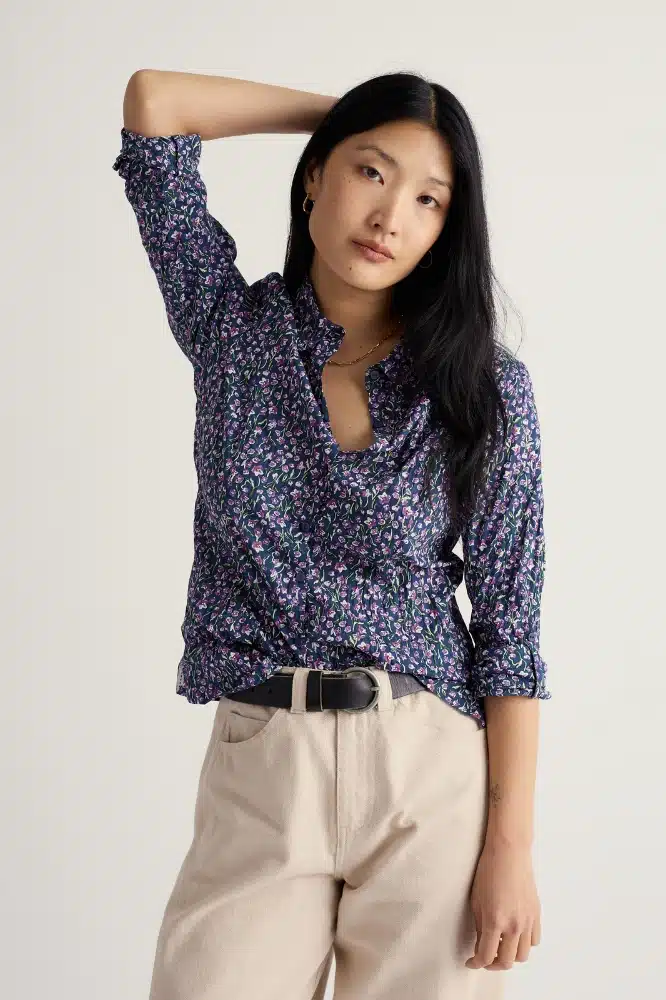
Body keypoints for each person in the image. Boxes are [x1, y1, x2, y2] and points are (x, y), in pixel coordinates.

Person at [113, 68, 551, 1000]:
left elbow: (511, 632)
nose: (389, 215)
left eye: (430, 199)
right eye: (370, 171)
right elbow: (154, 106)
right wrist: (346, 115)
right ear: (315, 175)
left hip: (427, 772)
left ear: (446, 230)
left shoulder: (482, 388)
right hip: (263, 763)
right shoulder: (233, 333)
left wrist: (510, 848)